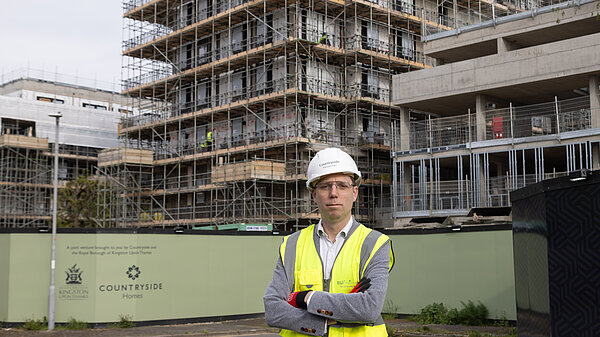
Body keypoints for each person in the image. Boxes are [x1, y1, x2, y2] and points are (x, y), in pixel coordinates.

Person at [264, 147, 394, 336]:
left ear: (355, 192)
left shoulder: (375, 244)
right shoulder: (292, 245)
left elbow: (369, 308)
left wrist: (307, 298)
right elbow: (273, 310)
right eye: (325, 186)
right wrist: (324, 322)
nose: (334, 193)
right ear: (314, 194)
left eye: (342, 185)